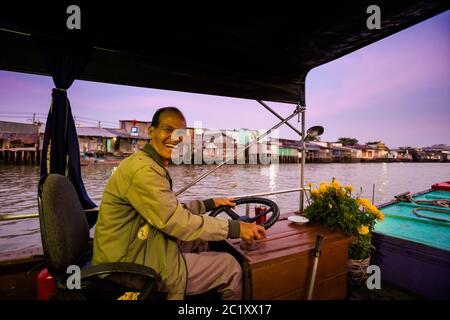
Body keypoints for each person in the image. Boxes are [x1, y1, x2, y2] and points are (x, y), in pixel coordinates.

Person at [93, 107, 266, 300]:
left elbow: (169, 209)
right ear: (151, 132)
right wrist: (236, 227)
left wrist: (209, 204)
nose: (175, 138)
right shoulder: (143, 171)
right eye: (168, 130)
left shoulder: (149, 164)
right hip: (128, 265)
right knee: (230, 267)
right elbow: (175, 220)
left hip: (139, 245)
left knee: (201, 240)